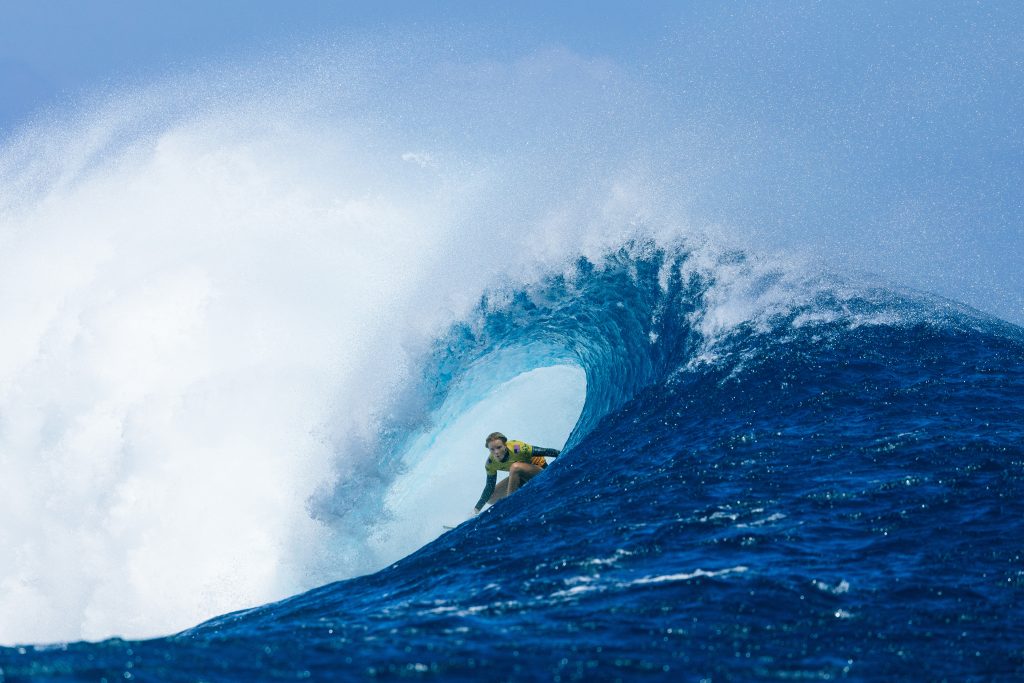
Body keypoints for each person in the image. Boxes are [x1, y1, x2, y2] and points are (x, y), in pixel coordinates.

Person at [473, 432, 561, 514]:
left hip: (540, 471)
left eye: (499, 447)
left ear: (505, 445)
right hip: (522, 478)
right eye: (492, 449)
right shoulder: (490, 463)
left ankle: (510, 504)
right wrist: (476, 509)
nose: (496, 452)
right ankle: (523, 497)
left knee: (515, 467)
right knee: (490, 498)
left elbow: (545, 451)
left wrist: (563, 456)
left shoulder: (516, 447)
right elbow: (489, 487)